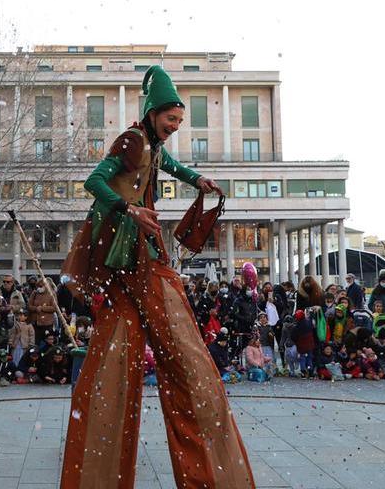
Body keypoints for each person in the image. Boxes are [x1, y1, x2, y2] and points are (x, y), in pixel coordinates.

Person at [60, 66, 254, 487]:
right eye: (171, 118)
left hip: (135, 257)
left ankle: (94, 472)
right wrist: (129, 209)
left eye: (180, 120)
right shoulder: (132, 140)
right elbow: (94, 181)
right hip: (132, 256)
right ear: (152, 112)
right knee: (183, 359)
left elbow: (173, 166)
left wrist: (198, 179)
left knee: (117, 358)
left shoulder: (152, 144)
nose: (176, 125)